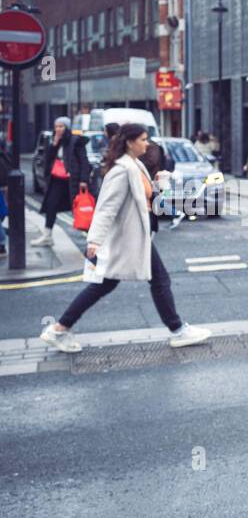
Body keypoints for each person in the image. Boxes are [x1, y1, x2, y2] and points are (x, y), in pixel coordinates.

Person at [38, 123, 211, 353]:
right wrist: (94, 240)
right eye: (142, 139)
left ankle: (60, 328)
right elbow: (106, 208)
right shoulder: (121, 170)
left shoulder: (136, 166)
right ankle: (177, 329)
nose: (147, 143)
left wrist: (160, 184)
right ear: (130, 142)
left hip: (138, 236)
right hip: (127, 238)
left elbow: (152, 202)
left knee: (112, 284)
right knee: (152, 281)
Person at [33, 116, 91, 246]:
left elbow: (84, 161)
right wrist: (54, 144)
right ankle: (47, 236)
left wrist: (83, 179)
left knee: (80, 209)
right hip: (58, 180)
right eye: (56, 126)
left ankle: (92, 239)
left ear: (67, 127)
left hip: (73, 181)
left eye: (61, 126)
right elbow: (48, 159)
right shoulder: (55, 141)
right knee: (50, 205)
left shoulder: (76, 141)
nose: (58, 129)